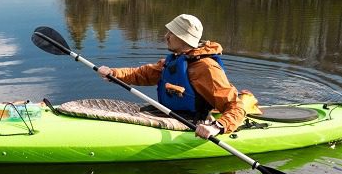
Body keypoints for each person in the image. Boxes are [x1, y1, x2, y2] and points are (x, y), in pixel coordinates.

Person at [96, 14, 246, 139]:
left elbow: (236, 106)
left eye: (171, 33)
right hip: (170, 115)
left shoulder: (207, 68)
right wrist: (114, 73)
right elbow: (142, 74)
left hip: (193, 123)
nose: (166, 36)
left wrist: (217, 127)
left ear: (184, 38)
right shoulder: (174, 60)